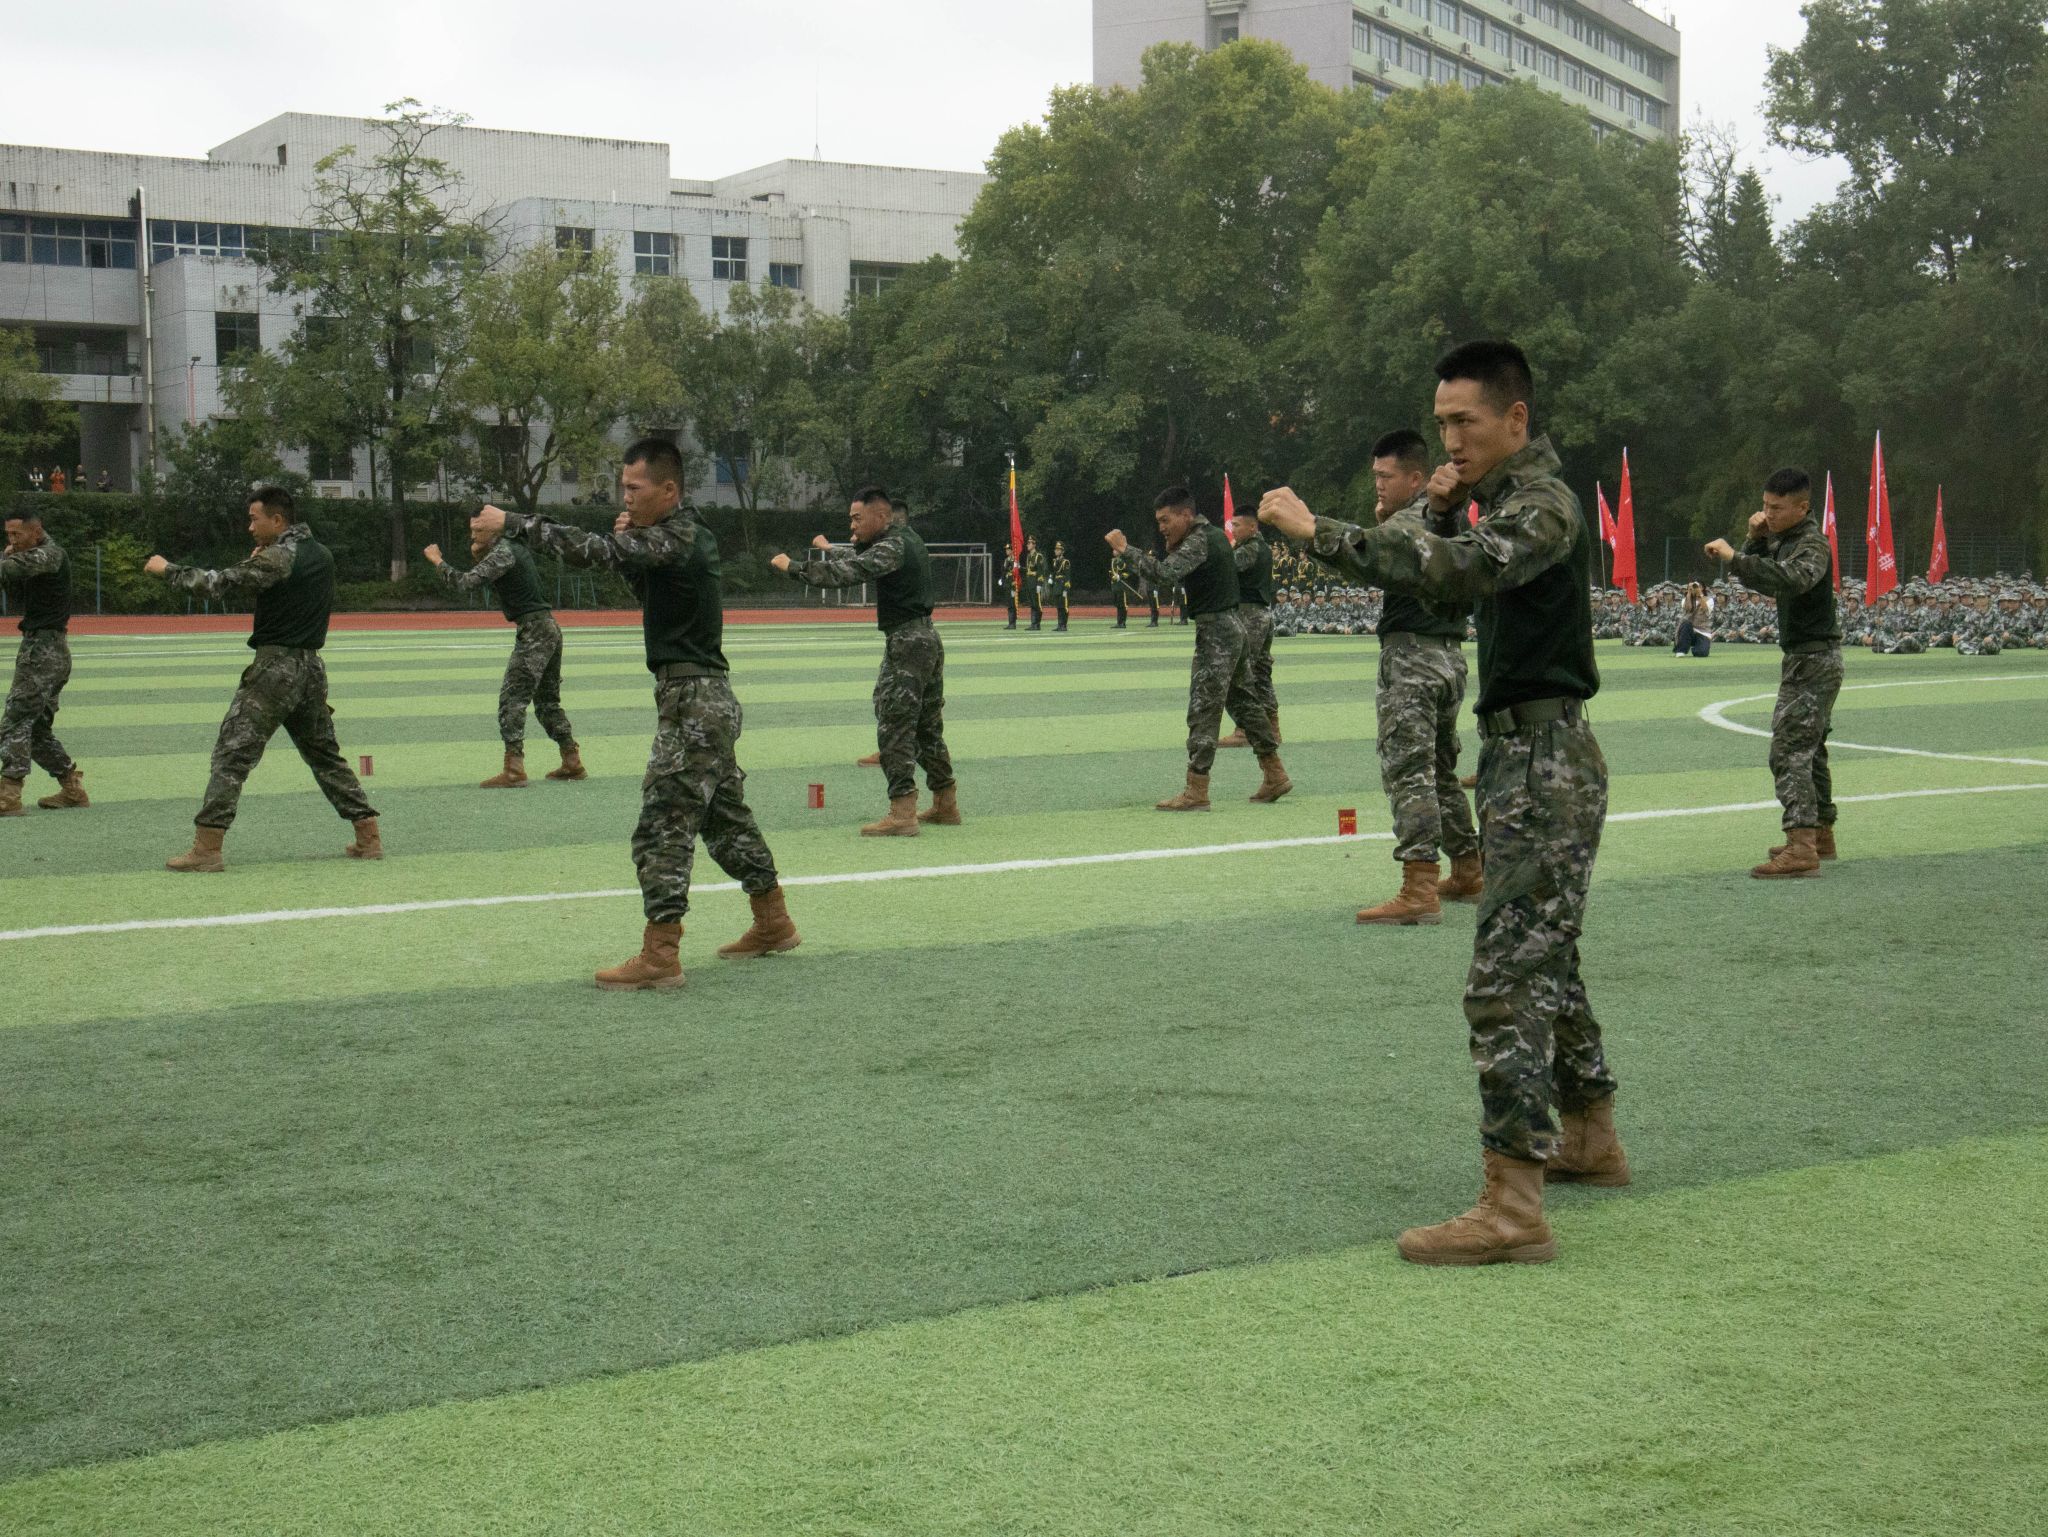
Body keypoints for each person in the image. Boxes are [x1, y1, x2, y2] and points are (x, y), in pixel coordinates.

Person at [1261, 340, 1625, 1268]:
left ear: (1516, 418)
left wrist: (1317, 532)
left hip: (1544, 760)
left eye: (1465, 421)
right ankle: (1590, 1135)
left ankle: (1514, 1205)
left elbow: (1456, 571)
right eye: (1442, 423)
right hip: (1523, 754)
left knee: (1506, 981)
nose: (1450, 439)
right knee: (1548, 958)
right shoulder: (1503, 499)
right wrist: (1436, 501)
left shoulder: (1542, 506)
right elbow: (1445, 549)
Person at [475, 440, 797, 987]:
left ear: (668, 490)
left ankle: (660, 954)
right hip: (701, 697)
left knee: (661, 824)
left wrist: (515, 523)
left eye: (634, 487)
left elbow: (591, 551)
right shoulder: (679, 536)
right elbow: (649, 591)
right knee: (725, 820)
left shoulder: (679, 535)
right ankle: (773, 921)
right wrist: (627, 548)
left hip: (693, 699)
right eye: (623, 486)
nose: (624, 496)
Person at [146, 487, 381, 870]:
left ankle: (207, 848)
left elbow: (218, 584)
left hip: (275, 670)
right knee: (324, 756)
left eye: (255, 519)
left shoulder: (278, 556)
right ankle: (368, 836)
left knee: (231, 754)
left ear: (277, 520)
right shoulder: (320, 554)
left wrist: (166, 569)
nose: (250, 527)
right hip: (311, 669)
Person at [1331, 428, 1482, 925]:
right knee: (1439, 772)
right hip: (1448, 656)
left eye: (1385, 475)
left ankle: (1419, 886)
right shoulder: (1443, 518)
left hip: (1412, 659)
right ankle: (1469, 869)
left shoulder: (1411, 521)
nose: (1377, 483)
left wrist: (1306, 528)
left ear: (1416, 479)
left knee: (1408, 771)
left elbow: (1361, 555)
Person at [773, 485, 959, 835]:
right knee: (926, 728)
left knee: (895, 725)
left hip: (907, 643)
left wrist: (794, 567)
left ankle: (902, 812)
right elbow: (862, 559)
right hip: (925, 639)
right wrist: (830, 549)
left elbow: (851, 572)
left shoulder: (893, 546)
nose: (853, 526)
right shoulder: (906, 541)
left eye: (857, 519)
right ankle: (945, 803)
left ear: (882, 516)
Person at [1106, 486, 1289, 810]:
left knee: (1204, 708)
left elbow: (1165, 574)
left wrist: (1125, 550)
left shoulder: (1199, 540)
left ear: (1186, 515)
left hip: (1216, 631)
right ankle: (1274, 773)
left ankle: (1197, 788)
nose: (1162, 527)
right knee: (1245, 704)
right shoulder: (1214, 536)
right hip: (1232, 626)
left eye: (1166, 520)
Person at [1706, 469, 1842, 877]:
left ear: (1803, 507)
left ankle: (1801, 847)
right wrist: (1754, 541)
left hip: (1814, 660)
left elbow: (1788, 579)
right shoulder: (1788, 539)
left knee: (1788, 749)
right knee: (1810, 748)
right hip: (1807, 657)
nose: (1768, 514)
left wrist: (1735, 556)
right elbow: (1765, 574)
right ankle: (1819, 834)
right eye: (1765, 506)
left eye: (1777, 508)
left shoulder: (1812, 544)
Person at [424, 525, 585, 789]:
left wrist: (437, 561)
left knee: (512, 701)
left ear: (493, 530)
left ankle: (514, 769)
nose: (472, 535)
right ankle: (572, 760)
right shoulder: (511, 549)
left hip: (534, 631)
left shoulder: (504, 551)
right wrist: (479, 553)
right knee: (547, 702)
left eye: (477, 529)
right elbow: (489, 573)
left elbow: (465, 583)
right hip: (548, 627)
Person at [0, 507, 86, 815]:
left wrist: (6, 559)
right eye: (8, 534)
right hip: (46, 649)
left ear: (36, 532)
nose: (12, 540)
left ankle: (8, 796)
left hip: (44, 652)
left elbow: (8, 572)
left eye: (17, 534)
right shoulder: (29, 556)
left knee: (15, 720)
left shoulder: (50, 554)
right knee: (35, 730)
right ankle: (72, 788)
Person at [1217, 508, 1283, 750]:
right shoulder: (1261, 547)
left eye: (1237, 525)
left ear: (1252, 527)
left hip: (1248, 615)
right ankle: (1272, 729)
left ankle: (1244, 729)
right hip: (1262, 614)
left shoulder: (1250, 549)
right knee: (1261, 673)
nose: (1232, 529)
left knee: (1241, 673)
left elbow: (1225, 568)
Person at [1673, 582, 1714, 657]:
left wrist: (1700, 595)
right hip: (1688, 630)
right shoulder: (1685, 600)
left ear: (1702, 588)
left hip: (1702, 631)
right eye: (1693, 587)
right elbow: (1688, 608)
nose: (1695, 589)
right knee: (1686, 623)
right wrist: (1689, 592)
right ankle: (1681, 650)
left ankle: (1697, 647)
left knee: (1701, 653)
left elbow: (1705, 609)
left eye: (1697, 587)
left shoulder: (1709, 600)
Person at [1025, 536, 1047, 630]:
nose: (1027, 545)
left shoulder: (1038, 556)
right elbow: (1028, 570)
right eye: (1027, 543)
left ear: (1034, 545)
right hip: (1030, 582)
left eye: (1029, 543)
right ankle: (1033, 623)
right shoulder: (1029, 556)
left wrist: (1039, 584)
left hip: (1035, 582)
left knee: (1037, 604)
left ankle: (1037, 624)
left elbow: (1041, 571)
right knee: (1032, 604)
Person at [1049, 541, 1072, 631]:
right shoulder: (1055, 561)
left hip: (1062, 586)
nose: (1056, 551)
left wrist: (1066, 589)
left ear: (1062, 551)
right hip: (1057, 586)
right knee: (1058, 607)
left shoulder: (1065, 562)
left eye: (1058, 549)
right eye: (1056, 549)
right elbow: (1054, 572)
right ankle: (1059, 625)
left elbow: (1067, 577)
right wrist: (1051, 578)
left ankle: (1064, 625)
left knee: (1064, 607)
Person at [1002, 545, 1023, 629]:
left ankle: (1013, 623)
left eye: (1008, 549)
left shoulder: (1015, 560)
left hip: (1013, 584)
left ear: (1012, 550)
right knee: (1009, 604)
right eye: (1006, 549)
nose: (1007, 551)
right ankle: (1010, 622)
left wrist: (1015, 583)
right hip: (1008, 583)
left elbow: (1018, 571)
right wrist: (1003, 580)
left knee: (1013, 603)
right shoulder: (1006, 560)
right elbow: (1004, 571)